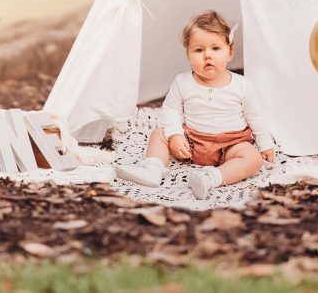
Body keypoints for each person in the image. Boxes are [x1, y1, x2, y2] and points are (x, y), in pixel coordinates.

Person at [114, 10, 275, 199]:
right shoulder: (182, 82)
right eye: (199, 50)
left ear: (230, 52)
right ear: (188, 55)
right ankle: (152, 169)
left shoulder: (242, 85)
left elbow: (255, 116)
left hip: (231, 145)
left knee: (252, 158)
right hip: (191, 141)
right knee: (159, 134)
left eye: (216, 48)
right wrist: (175, 135)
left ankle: (211, 178)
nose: (207, 55)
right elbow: (171, 109)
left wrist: (265, 144)